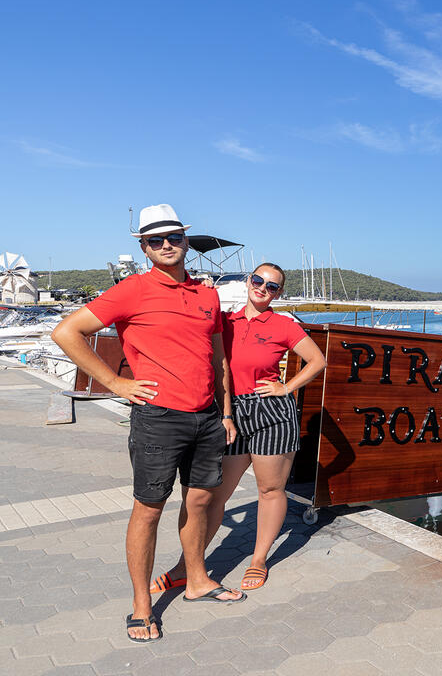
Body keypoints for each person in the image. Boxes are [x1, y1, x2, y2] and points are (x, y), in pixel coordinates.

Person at [52, 204, 244, 645]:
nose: (166, 245)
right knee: (149, 509)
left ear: (185, 240)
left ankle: (196, 580)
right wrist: (116, 382)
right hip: (158, 418)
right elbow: (66, 332)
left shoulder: (207, 295)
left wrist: (227, 412)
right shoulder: (132, 291)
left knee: (199, 501)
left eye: (173, 237)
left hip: (207, 416)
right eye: (155, 240)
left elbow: (218, 357)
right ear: (144, 247)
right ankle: (142, 604)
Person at [150, 263, 326, 593]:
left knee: (269, 490)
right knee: (217, 494)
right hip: (230, 412)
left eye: (271, 286)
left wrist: (286, 387)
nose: (262, 288)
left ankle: (259, 559)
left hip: (271, 413)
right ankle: (187, 566)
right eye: (258, 280)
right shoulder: (224, 321)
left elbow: (318, 360)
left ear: (278, 294)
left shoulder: (284, 325)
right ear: (248, 281)